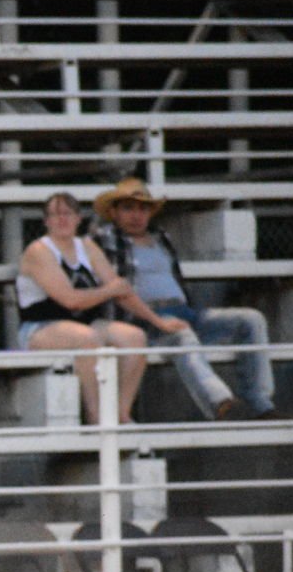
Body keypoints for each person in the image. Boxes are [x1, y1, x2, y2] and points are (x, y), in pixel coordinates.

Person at [90, 178, 282, 422]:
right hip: (144, 320)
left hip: (185, 312)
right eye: (128, 208)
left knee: (250, 320)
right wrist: (158, 321)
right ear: (114, 212)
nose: (136, 215)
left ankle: (261, 404)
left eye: (142, 208)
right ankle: (220, 403)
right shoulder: (105, 238)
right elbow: (113, 287)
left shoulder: (161, 238)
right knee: (183, 336)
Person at [15, 192, 176, 425]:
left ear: (78, 219)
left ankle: (121, 414)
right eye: (55, 215)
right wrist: (108, 291)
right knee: (87, 339)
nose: (62, 220)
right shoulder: (39, 251)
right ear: (46, 221)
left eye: (67, 214)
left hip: (85, 325)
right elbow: (71, 300)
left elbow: (122, 291)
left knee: (135, 337)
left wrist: (158, 322)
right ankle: (96, 417)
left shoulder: (87, 246)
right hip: (41, 328)